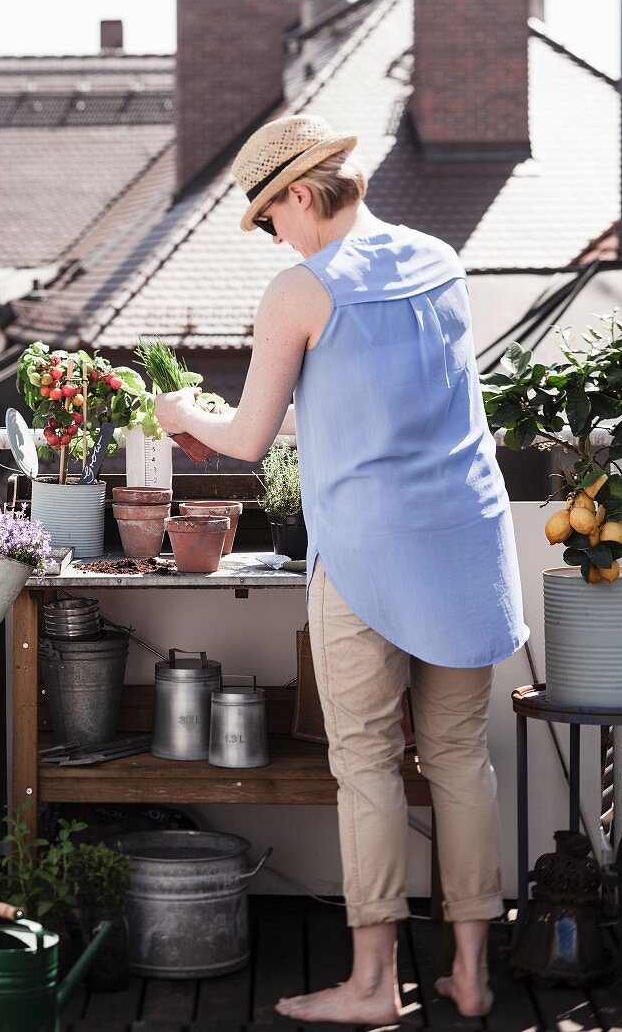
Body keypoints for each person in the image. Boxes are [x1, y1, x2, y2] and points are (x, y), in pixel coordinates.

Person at [153, 114, 529, 1028]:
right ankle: (471, 975)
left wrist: (182, 413)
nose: (271, 238)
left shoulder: (299, 289)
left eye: (267, 217)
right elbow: (363, 411)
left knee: (363, 761)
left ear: (296, 195)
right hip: (465, 545)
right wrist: (237, 414)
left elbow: (244, 440)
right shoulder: (439, 260)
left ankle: (370, 986)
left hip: (365, 554)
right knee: (455, 758)